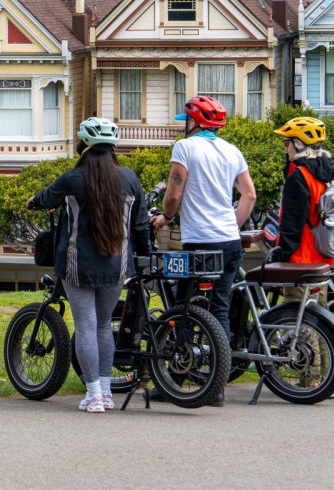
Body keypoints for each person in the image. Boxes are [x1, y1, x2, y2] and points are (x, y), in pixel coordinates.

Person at [28, 117, 151, 413]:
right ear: (113, 147)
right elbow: (141, 225)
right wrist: (144, 256)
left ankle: (93, 394)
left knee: (85, 325)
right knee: (103, 325)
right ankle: (106, 393)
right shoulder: (129, 178)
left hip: (77, 265)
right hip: (116, 265)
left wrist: (34, 201)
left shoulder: (73, 179)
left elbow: (46, 198)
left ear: (84, 145)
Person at [150, 95, 256, 339]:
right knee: (219, 305)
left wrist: (165, 217)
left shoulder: (185, 147)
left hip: (199, 241)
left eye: (185, 120)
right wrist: (231, 225)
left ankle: (183, 362)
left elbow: (174, 195)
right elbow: (249, 195)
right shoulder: (232, 151)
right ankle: (221, 364)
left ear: (193, 121)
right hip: (230, 242)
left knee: (183, 305)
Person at [272, 116, 334, 266]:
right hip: (322, 260)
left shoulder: (300, 177)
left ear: (299, 144)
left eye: (287, 143)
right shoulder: (326, 174)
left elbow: (291, 227)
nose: (286, 148)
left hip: (299, 264)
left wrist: (277, 260)